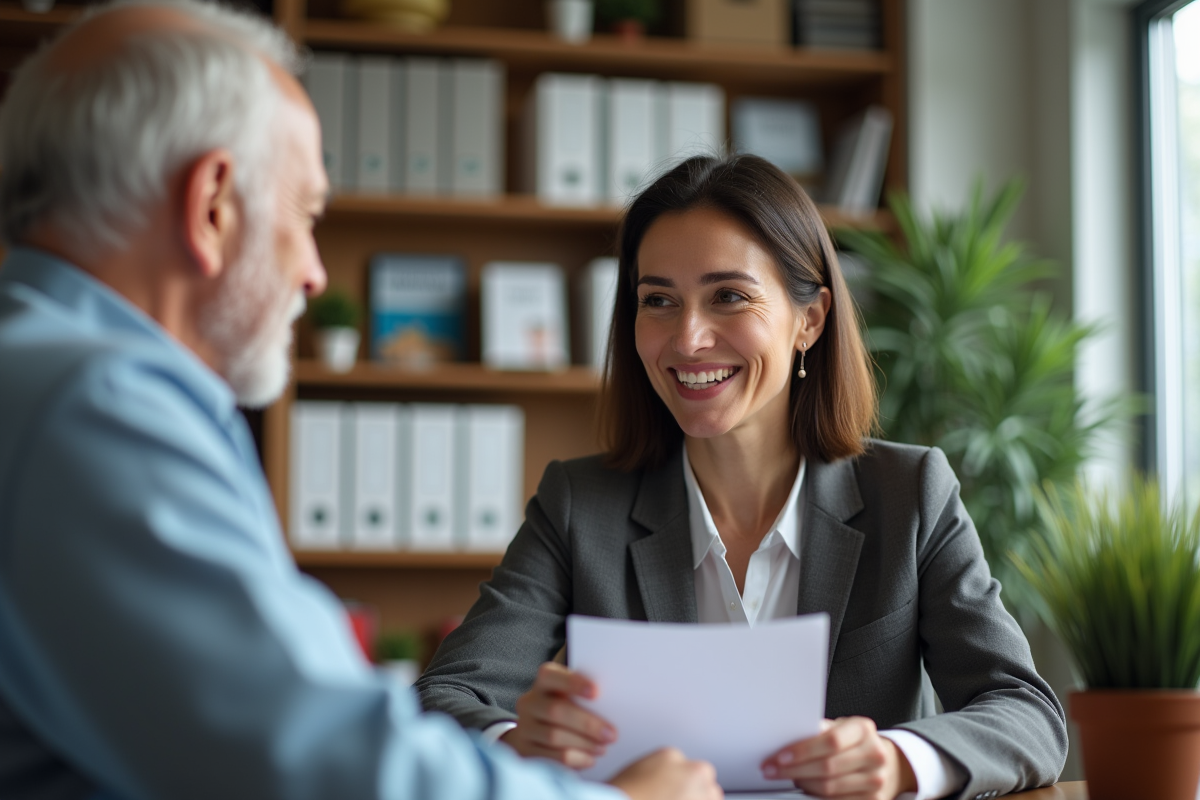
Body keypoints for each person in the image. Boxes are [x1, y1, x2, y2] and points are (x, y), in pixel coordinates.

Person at [0, 3, 724, 800]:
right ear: (213, 205)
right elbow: (317, 758)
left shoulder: (47, 372)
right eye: (307, 217)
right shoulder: (98, 405)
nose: (314, 273)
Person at [417, 154, 1069, 800]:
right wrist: (516, 743)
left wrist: (897, 761)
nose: (688, 338)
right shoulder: (579, 505)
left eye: (728, 296)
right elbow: (446, 697)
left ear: (809, 320)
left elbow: (1027, 715)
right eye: (659, 300)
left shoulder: (911, 493)